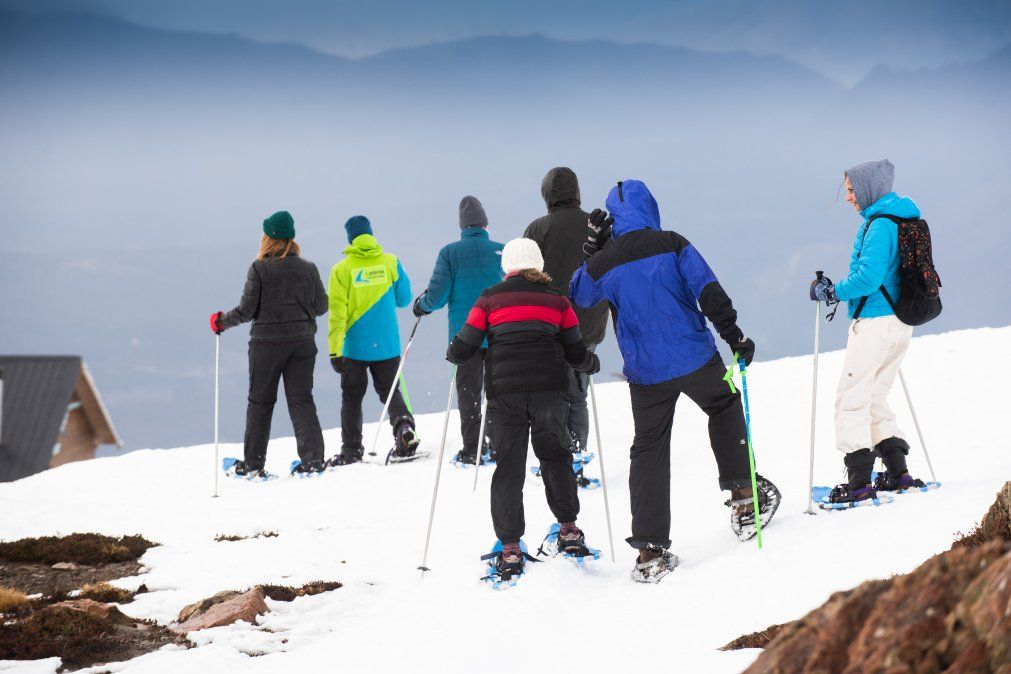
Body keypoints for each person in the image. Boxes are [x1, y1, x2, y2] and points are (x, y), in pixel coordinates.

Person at [569, 180, 780, 583]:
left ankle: (649, 551)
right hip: (695, 356)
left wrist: (593, 252)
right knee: (723, 405)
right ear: (651, 208)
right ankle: (743, 497)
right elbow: (709, 291)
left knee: (648, 448)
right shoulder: (672, 242)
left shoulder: (605, 261)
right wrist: (734, 337)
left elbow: (579, 295)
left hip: (645, 373)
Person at [447, 238, 600, 580]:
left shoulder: (489, 298)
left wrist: (454, 352)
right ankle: (569, 531)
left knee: (509, 468)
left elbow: (467, 342)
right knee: (555, 458)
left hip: (506, 395)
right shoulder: (558, 301)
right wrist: (591, 362)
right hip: (550, 391)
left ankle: (511, 548)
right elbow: (575, 352)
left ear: (508, 267)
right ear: (538, 266)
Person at [810, 159, 926, 503]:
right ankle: (897, 471)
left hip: (875, 322)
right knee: (875, 395)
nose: (848, 197)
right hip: (900, 322)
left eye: (850, 190)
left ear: (867, 188)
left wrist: (832, 292)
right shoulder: (903, 217)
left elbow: (869, 278)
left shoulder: (878, 225)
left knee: (851, 398)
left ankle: (859, 482)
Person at [210, 210, 328, 478]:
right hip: (302, 344)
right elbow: (321, 306)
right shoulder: (309, 269)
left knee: (260, 403)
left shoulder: (259, 269)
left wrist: (221, 322)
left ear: (269, 238)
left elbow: (247, 310)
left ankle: (253, 465)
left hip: (267, 346)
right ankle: (313, 463)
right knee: (301, 401)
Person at [524, 167, 610, 487]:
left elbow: (525, 277)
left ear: (547, 194)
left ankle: (559, 460)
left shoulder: (538, 228)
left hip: (548, 327)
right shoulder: (598, 226)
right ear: (576, 191)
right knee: (577, 393)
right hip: (588, 325)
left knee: (552, 395)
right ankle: (576, 458)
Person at [412, 196, 504, 465]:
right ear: (485, 224)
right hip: (500, 334)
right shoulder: (502, 250)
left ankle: (472, 449)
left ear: (462, 226)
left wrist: (422, 306)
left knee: (469, 393)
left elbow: (437, 296)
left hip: (465, 337)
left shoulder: (450, 253)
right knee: (497, 392)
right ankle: (498, 445)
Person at [326, 215, 418, 465]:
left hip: (354, 348)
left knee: (352, 398)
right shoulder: (391, 262)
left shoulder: (341, 270)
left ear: (350, 239)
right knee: (391, 391)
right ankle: (404, 429)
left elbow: (337, 315)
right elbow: (404, 298)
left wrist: (334, 352)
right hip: (388, 345)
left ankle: (352, 450)